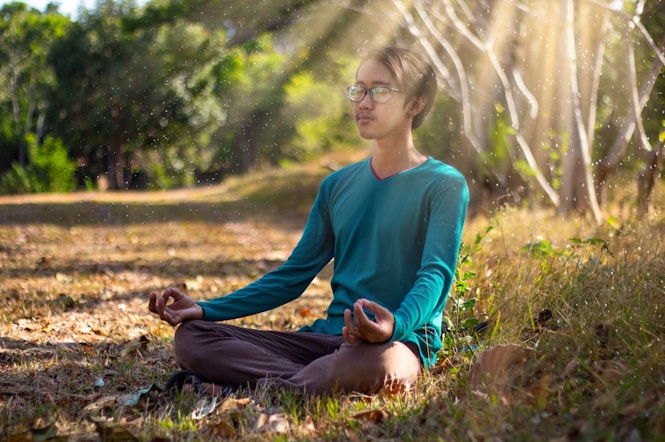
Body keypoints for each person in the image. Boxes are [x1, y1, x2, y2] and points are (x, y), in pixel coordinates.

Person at [149, 46, 469, 396]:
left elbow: (436, 275)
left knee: (376, 365)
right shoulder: (337, 186)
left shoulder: (444, 183)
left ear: (415, 103)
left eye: (379, 91)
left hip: (398, 344)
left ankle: (243, 388)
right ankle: (303, 383)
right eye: (358, 90)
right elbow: (291, 277)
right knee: (193, 338)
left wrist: (394, 326)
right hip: (325, 340)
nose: (363, 102)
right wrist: (206, 309)